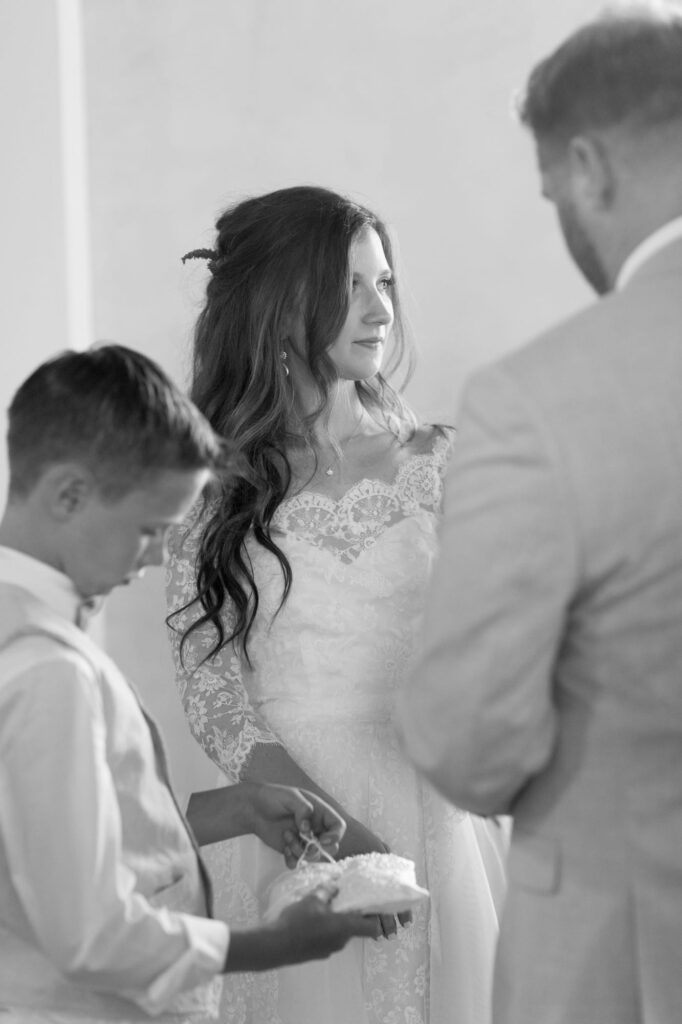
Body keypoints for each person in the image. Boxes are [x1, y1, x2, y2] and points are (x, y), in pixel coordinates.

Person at [396, 5, 682, 1023]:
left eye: (553, 191)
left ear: (590, 165)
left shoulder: (538, 400)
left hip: (633, 949)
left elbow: (468, 736)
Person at [165, 185, 507, 1024]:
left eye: (384, 283)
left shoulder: (444, 464)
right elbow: (214, 698)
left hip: (439, 815)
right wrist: (346, 841)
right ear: (282, 303)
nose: (378, 308)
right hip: (290, 825)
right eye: (350, 285)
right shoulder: (213, 489)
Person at [0, 344, 381, 1024]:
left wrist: (232, 810)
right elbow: (92, 932)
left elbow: (47, 838)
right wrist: (272, 945)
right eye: (149, 530)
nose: (152, 559)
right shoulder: (48, 669)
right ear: (68, 494)